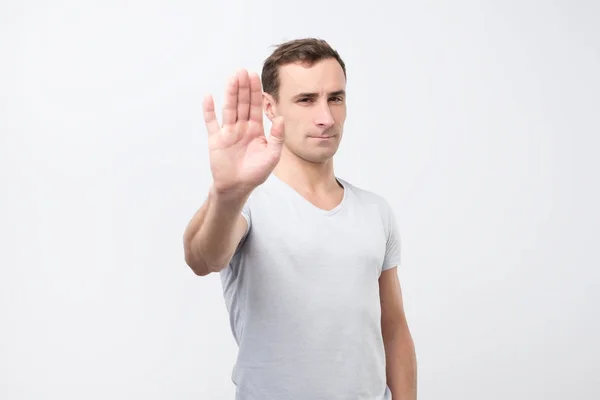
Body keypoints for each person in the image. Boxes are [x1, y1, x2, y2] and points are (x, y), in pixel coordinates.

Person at [183, 38, 417, 400]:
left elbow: (394, 327)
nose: (326, 117)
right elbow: (203, 257)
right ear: (270, 107)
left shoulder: (376, 211)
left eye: (335, 98)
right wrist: (226, 194)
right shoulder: (246, 202)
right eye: (306, 99)